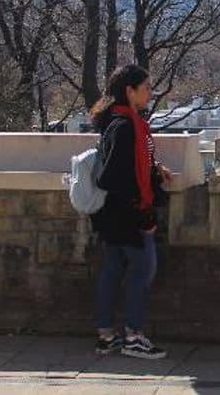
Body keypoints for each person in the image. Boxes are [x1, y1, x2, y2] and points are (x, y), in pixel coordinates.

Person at [88, 64, 172, 359]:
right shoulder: (126, 127)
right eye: (146, 88)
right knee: (142, 270)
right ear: (129, 91)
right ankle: (134, 335)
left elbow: (127, 168)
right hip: (128, 216)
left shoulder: (116, 122)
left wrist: (154, 170)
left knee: (112, 272)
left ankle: (106, 335)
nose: (150, 93)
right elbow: (115, 176)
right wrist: (144, 216)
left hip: (111, 216)